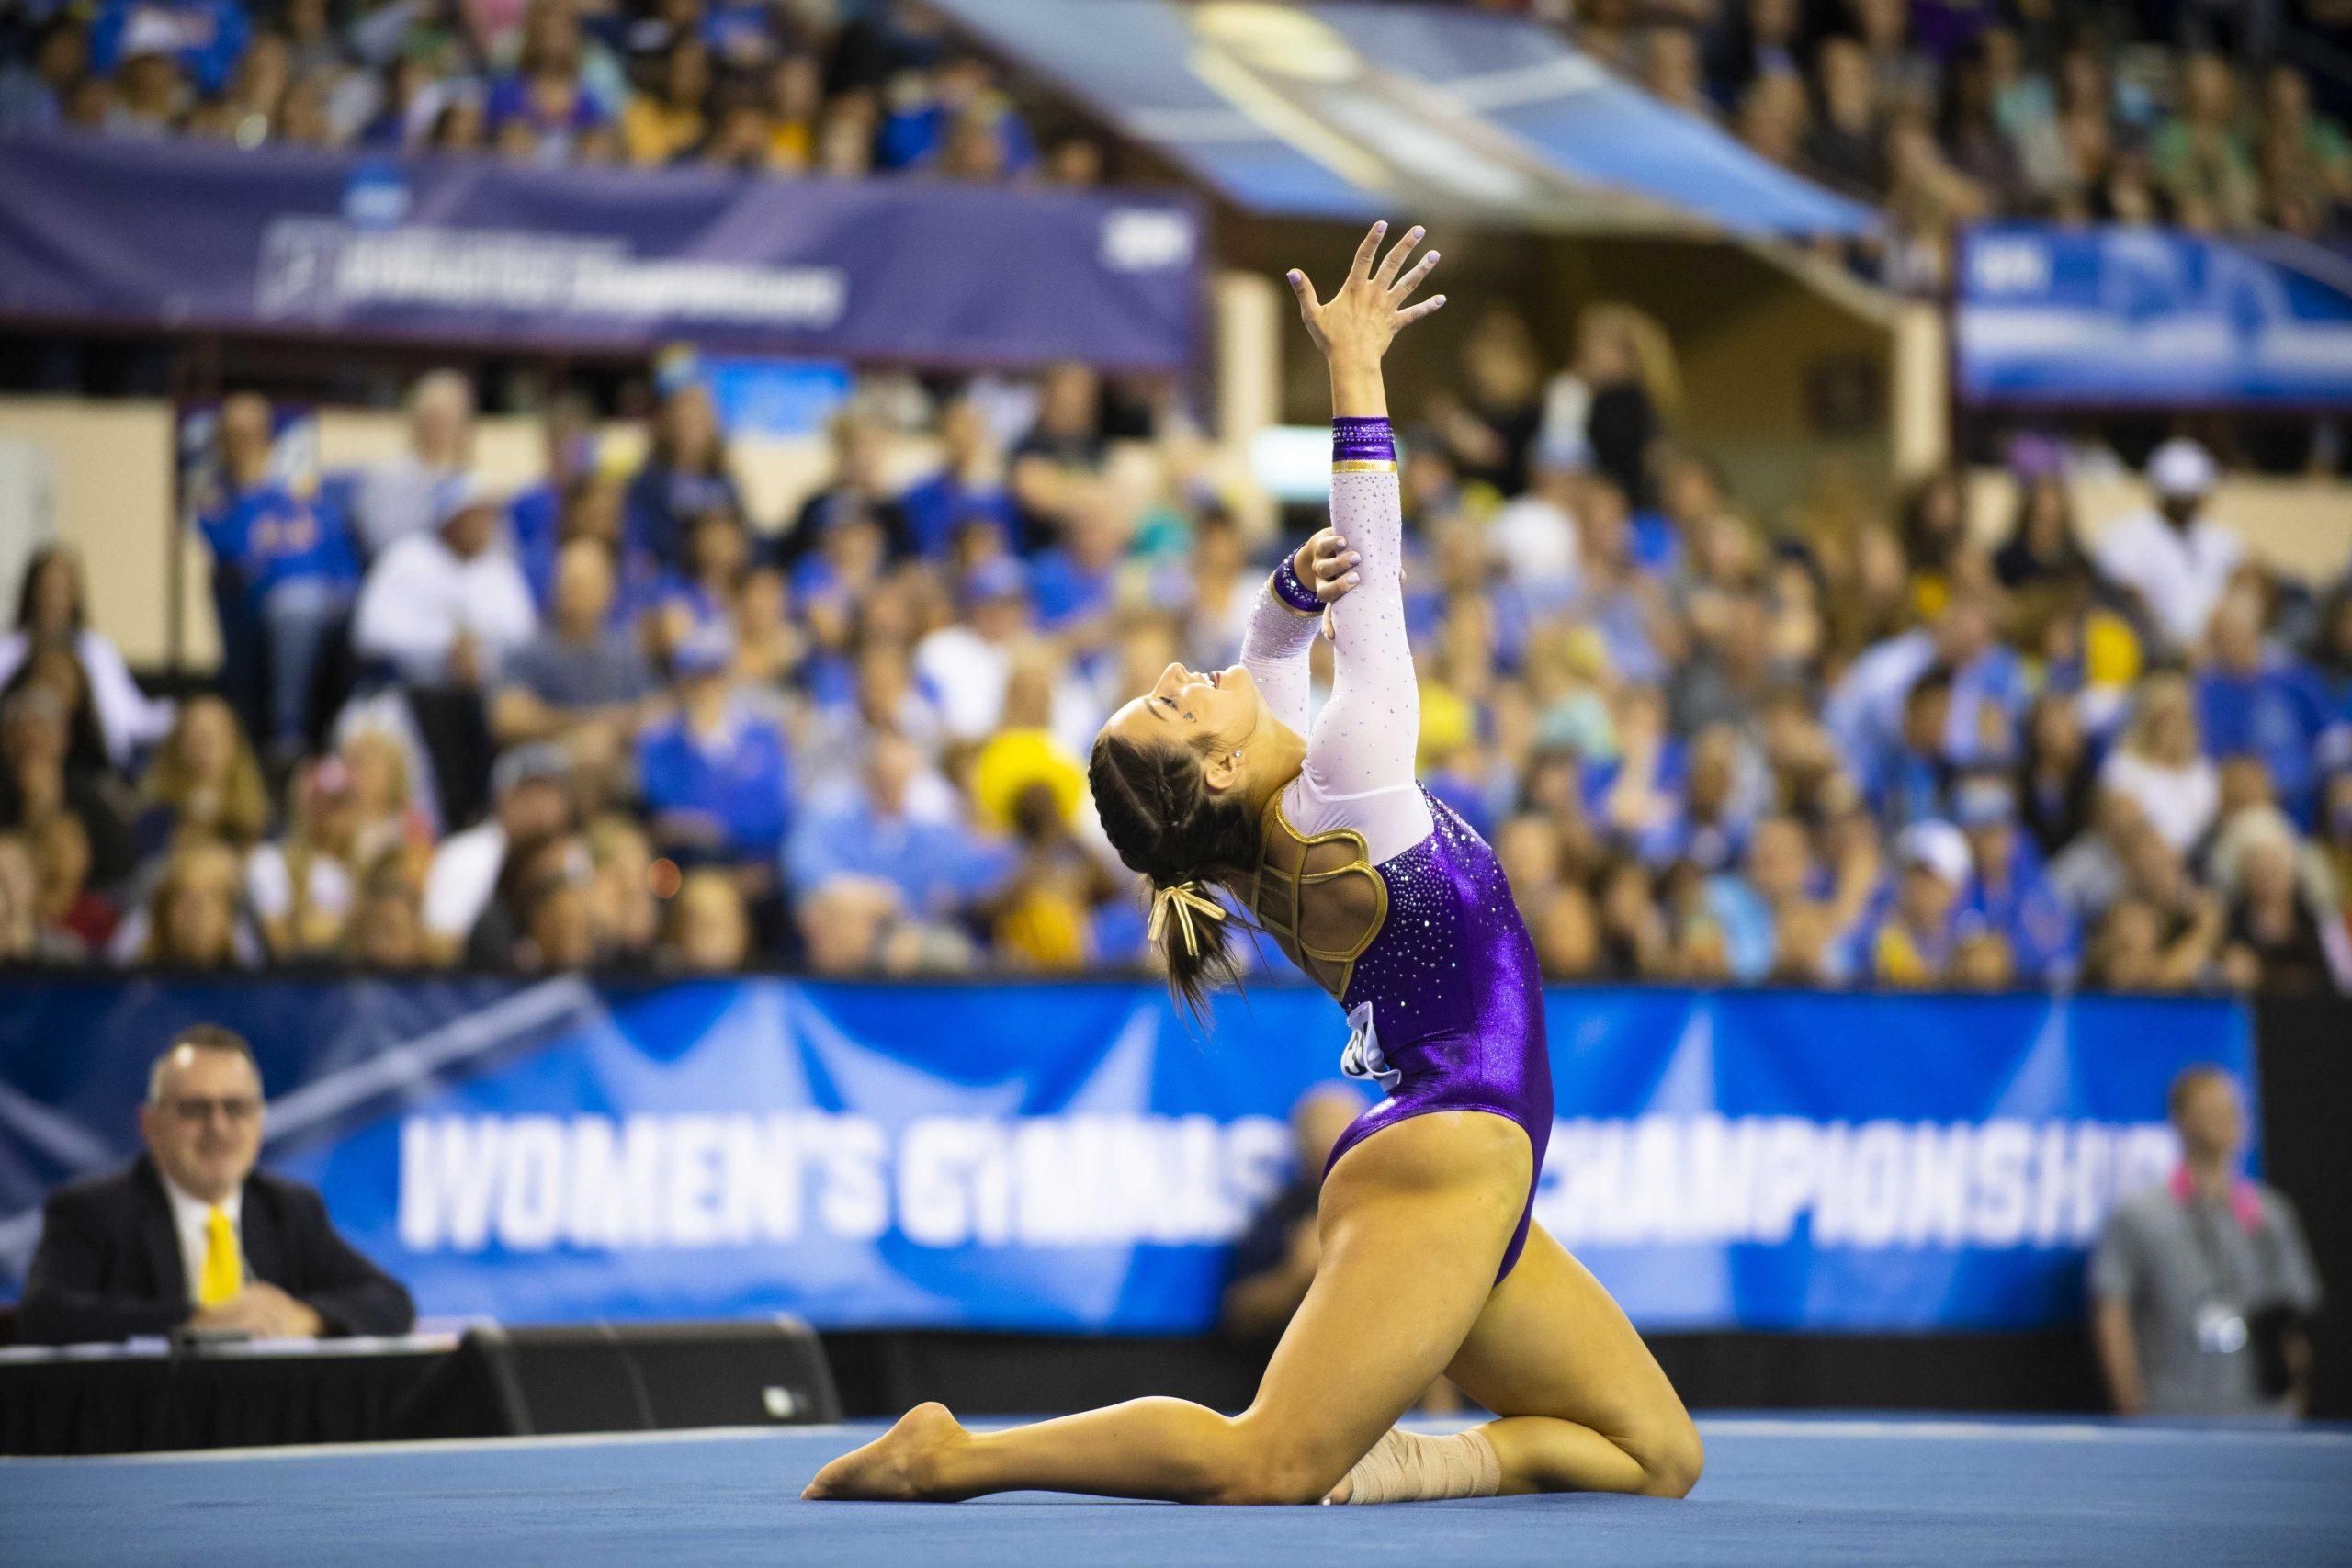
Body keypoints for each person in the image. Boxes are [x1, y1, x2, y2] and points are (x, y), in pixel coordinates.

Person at [808, 225, 1702, 1507]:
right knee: (1262, 1461)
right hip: (1446, 1152)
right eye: (1169, 711)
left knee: (1658, 1455)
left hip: (1477, 1160)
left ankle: (1403, 1459)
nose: (1177, 679)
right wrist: (1355, 372)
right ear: (1216, 775)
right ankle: (958, 1452)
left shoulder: (1280, 820)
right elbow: (1376, 579)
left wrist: (1280, 603)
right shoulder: (1352, 790)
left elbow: (1269, 669)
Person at [17, 1025, 414, 1344]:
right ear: (150, 1125)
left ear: (259, 1122)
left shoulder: (289, 1210)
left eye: (236, 1108)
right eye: (194, 1109)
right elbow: (43, 1315)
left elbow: (392, 1303)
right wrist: (197, 1320)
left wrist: (303, 1318)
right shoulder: (92, 1211)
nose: (218, 1127)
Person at [2089, 1066, 2322, 1418]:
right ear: (2181, 1120)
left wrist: (2294, 1398)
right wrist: (2131, 1404)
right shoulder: (2140, 1214)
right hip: (2172, 1409)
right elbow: (2111, 1308)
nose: (2225, 1119)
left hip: (2261, 1411)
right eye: (2210, 1110)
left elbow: (2289, 1316)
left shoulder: (2271, 1214)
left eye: (2231, 1109)